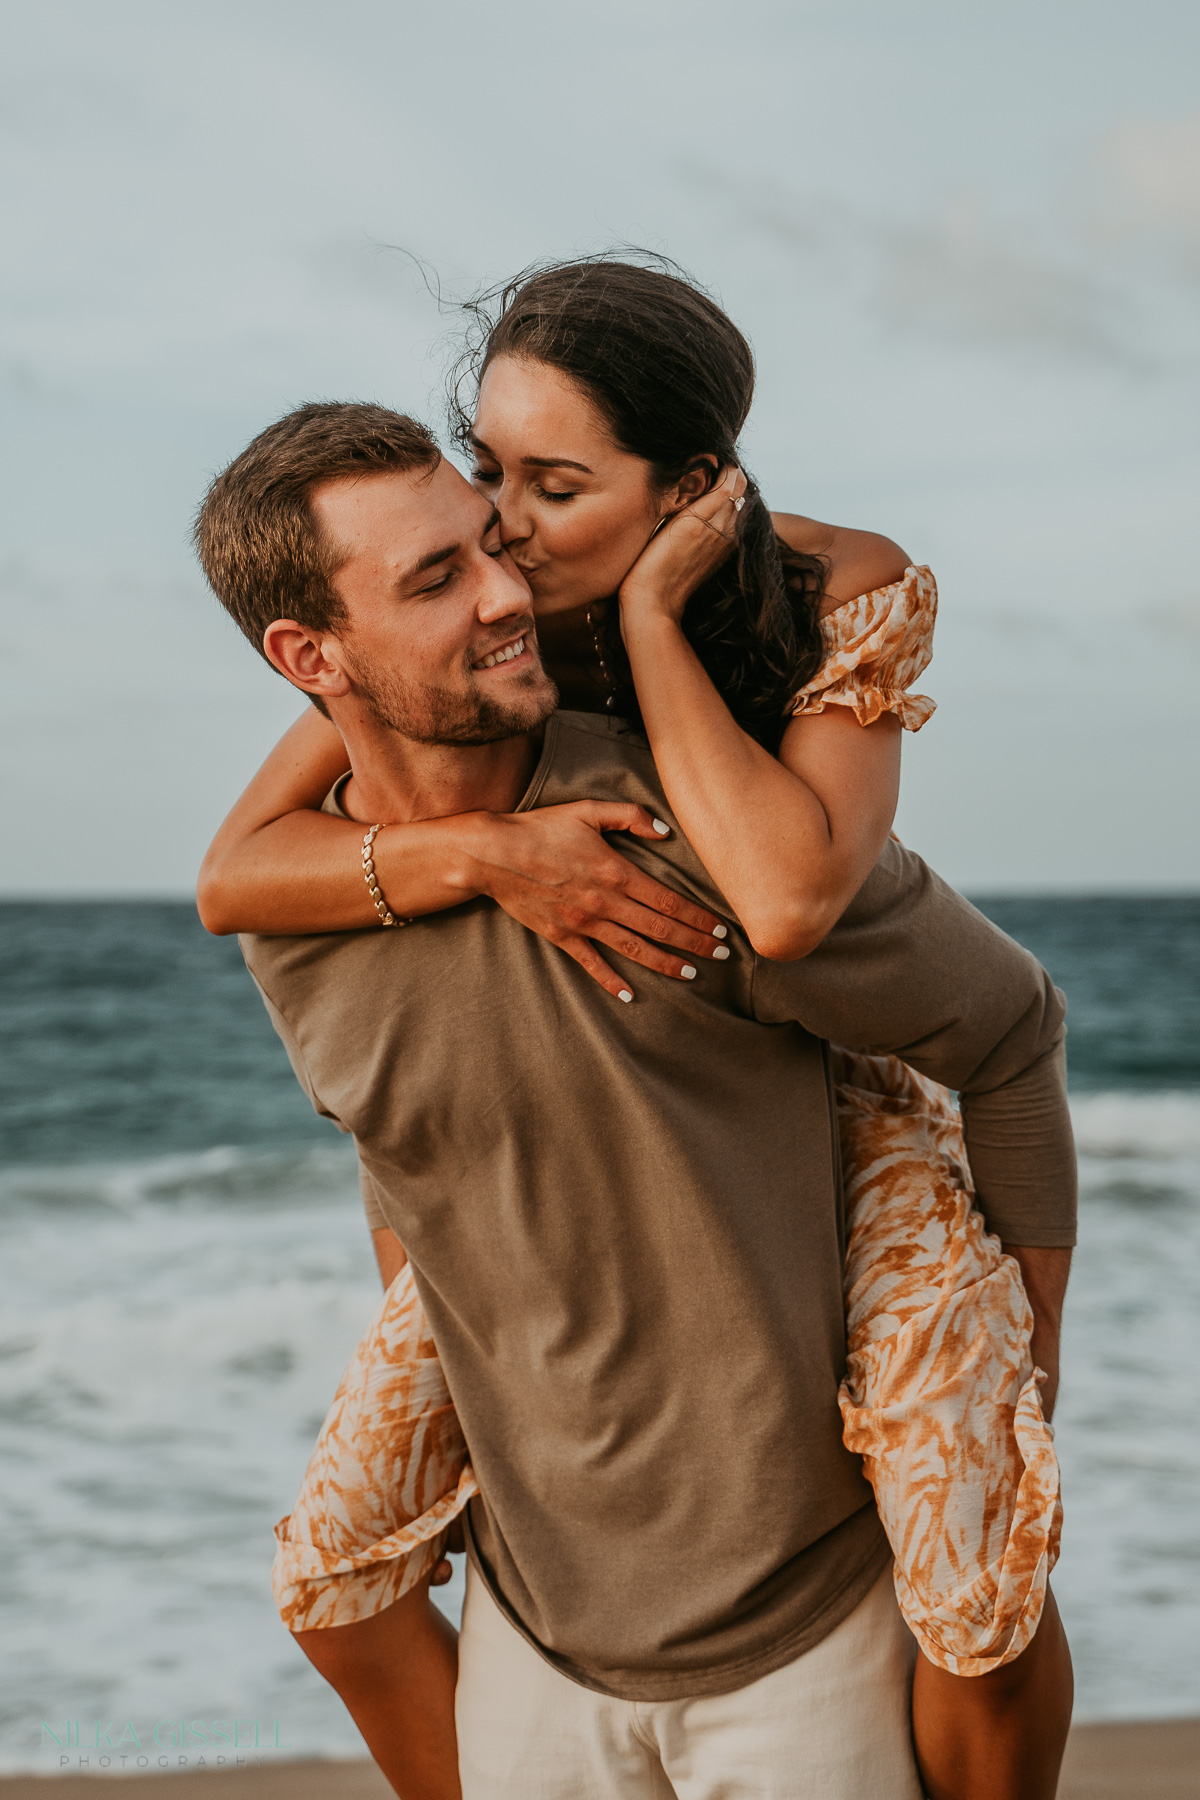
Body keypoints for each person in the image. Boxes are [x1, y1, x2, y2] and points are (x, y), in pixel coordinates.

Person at [194, 374, 1076, 1798]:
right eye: (438, 577)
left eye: (494, 540)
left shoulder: (688, 831)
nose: (506, 591)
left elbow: (1009, 1026)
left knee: (985, 1589)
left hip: (804, 1629)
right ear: (312, 656)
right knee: (329, 1580)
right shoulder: (301, 915)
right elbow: (398, 1142)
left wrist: (1035, 1356)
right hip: (540, 1630)